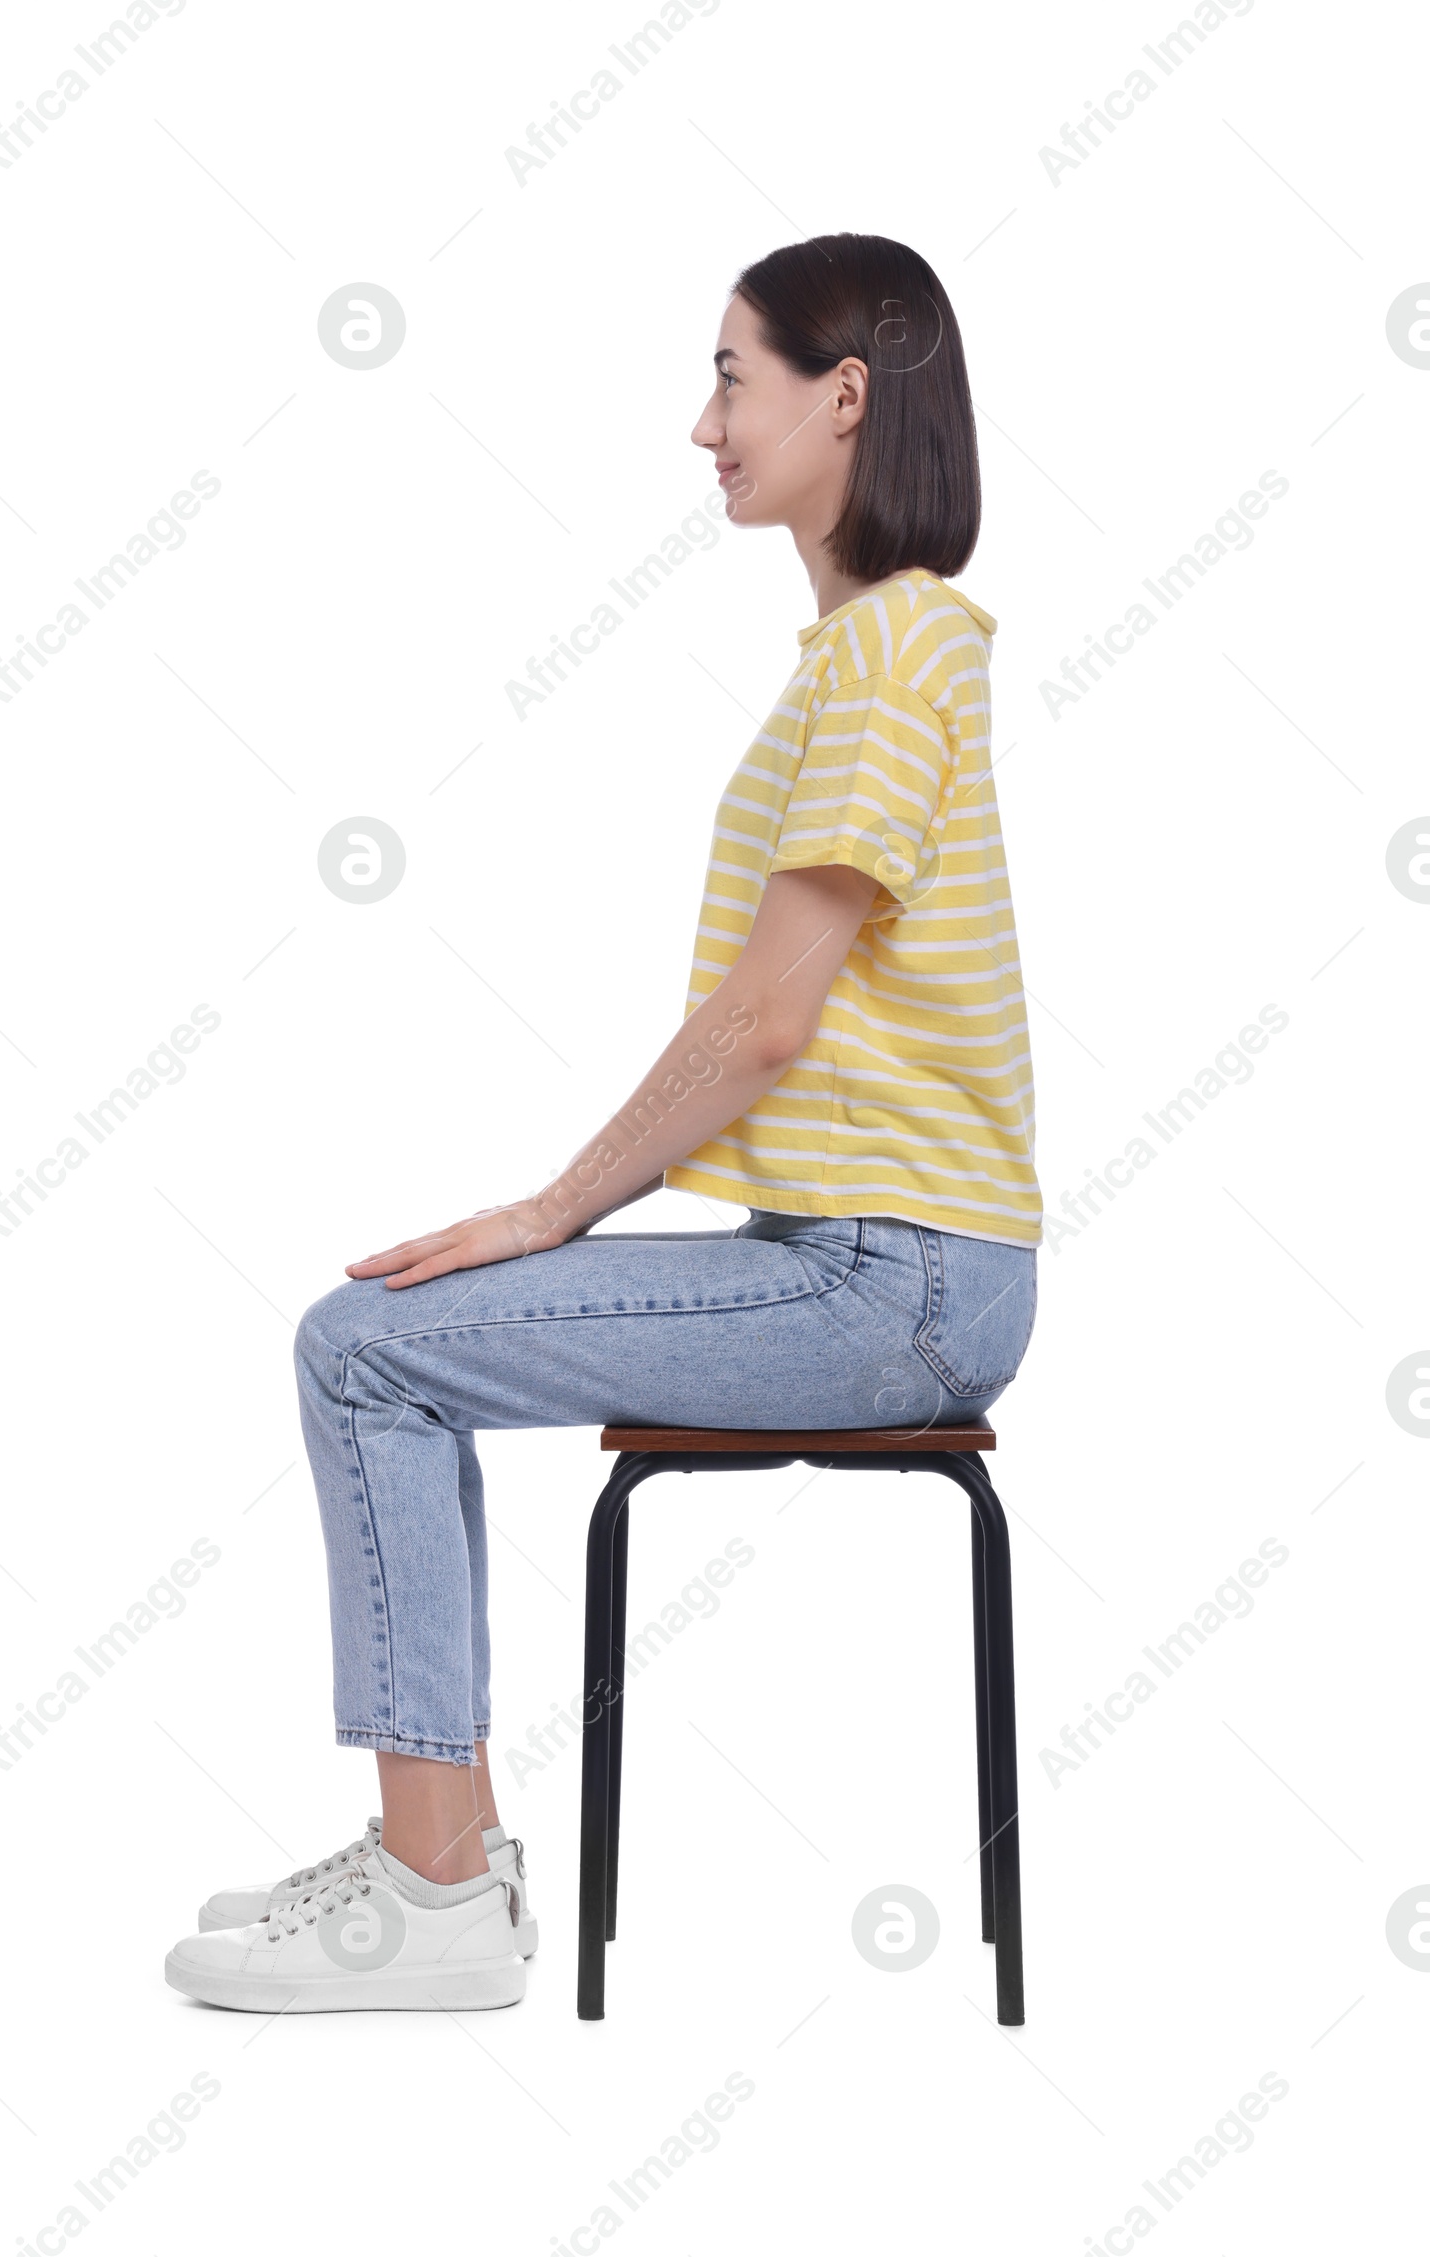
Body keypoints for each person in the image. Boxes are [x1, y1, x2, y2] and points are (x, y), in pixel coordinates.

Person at [165, 232, 1043, 2014]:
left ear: (843, 395)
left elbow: (767, 1019)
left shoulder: (887, 659)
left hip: (897, 1285)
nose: (703, 424)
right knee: (379, 1341)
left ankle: (434, 1889)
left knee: (364, 1348)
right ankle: (445, 1862)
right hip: (886, 1265)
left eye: (732, 376)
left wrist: (548, 1209)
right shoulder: (875, 652)